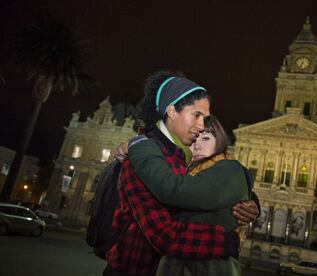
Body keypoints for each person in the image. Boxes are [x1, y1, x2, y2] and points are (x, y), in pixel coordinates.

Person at [105, 71, 259, 276]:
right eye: (196, 115)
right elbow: (165, 236)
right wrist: (230, 240)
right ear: (171, 111)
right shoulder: (144, 159)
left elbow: (201, 190)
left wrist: (248, 200)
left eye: (205, 119)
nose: (201, 126)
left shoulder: (182, 159)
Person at [127, 114, 253, 275]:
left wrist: (139, 145)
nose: (197, 146)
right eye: (193, 140)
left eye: (206, 138)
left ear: (219, 140)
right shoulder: (189, 172)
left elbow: (174, 191)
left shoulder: (229, 169)